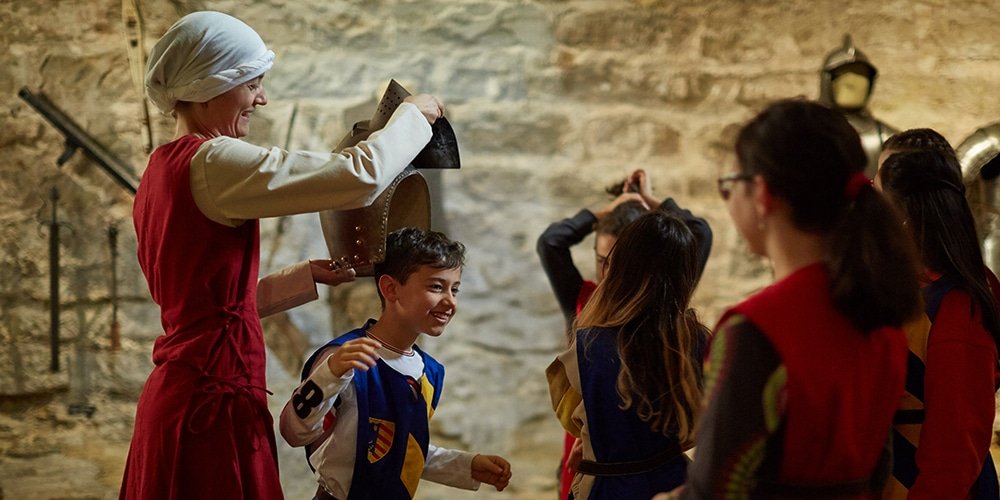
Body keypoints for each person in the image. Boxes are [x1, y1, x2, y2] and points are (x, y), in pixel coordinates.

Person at [121, 11, 445, 500]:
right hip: (206, 407)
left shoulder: (160, 168)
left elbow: (209, 312)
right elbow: (356, 178)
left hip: (184, 397)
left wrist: (304, 277)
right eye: (252, 84)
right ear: (212, 85)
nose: (261, 98)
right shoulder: (211, 160)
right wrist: (413, 117)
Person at [660, 99, 922, 498]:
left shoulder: (756, 329)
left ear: (762, 194)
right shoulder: (882, 314)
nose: (728, 197)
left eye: (730, 183)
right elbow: (878, 470)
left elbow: (716, 489)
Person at [279, 227, 512, 500]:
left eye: (455, 289)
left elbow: (399, 451)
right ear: (390, 288)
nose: (449, 301)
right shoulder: (345, 357)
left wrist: (465, 465)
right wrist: (330, 374)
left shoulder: (431, 372)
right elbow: (294, 432)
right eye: (436, 287)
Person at [536, 168, 712, 499]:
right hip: (667, 476)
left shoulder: (589, 338)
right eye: (601, 260)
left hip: (605, 474)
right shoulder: (690, 335)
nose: (607, 270)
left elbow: (569, 408)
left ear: (626, 261)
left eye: (613, 260)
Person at [875, 148, 1000, 498]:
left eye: (876, 194)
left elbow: (955, 441)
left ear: (902, 217)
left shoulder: (958, 306)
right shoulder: (900, 289)